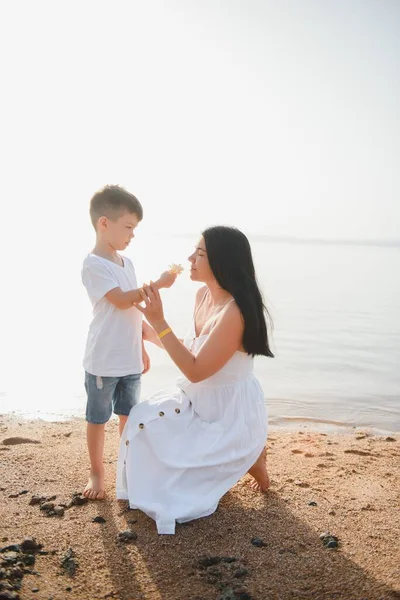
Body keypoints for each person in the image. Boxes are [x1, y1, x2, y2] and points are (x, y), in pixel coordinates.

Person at [117, 225, 274, 533]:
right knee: (141, 421)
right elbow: (191, 351)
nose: (190, 258)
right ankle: (246, 458)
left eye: (200, 253)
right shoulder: (202, 295)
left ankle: (253, 454)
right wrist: (149, 334)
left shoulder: (235, 312)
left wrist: (159, 321)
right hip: (196, 398)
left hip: (227, 413)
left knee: (181, 498)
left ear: (221, 261)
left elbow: (196, 369)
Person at [82, 185, 177, 500]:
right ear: (104, 223)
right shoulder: (94, 264)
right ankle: (97, 473)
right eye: (128, 227)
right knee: (97, 418)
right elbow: (121, 301)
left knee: (129, 416)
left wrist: (142, 345)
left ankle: (126, 468)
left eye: (135, 229)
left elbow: (134, 312)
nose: (132, 235)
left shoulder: (129, 263)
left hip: (130, 359)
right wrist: (158, 285)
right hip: (104, 360)